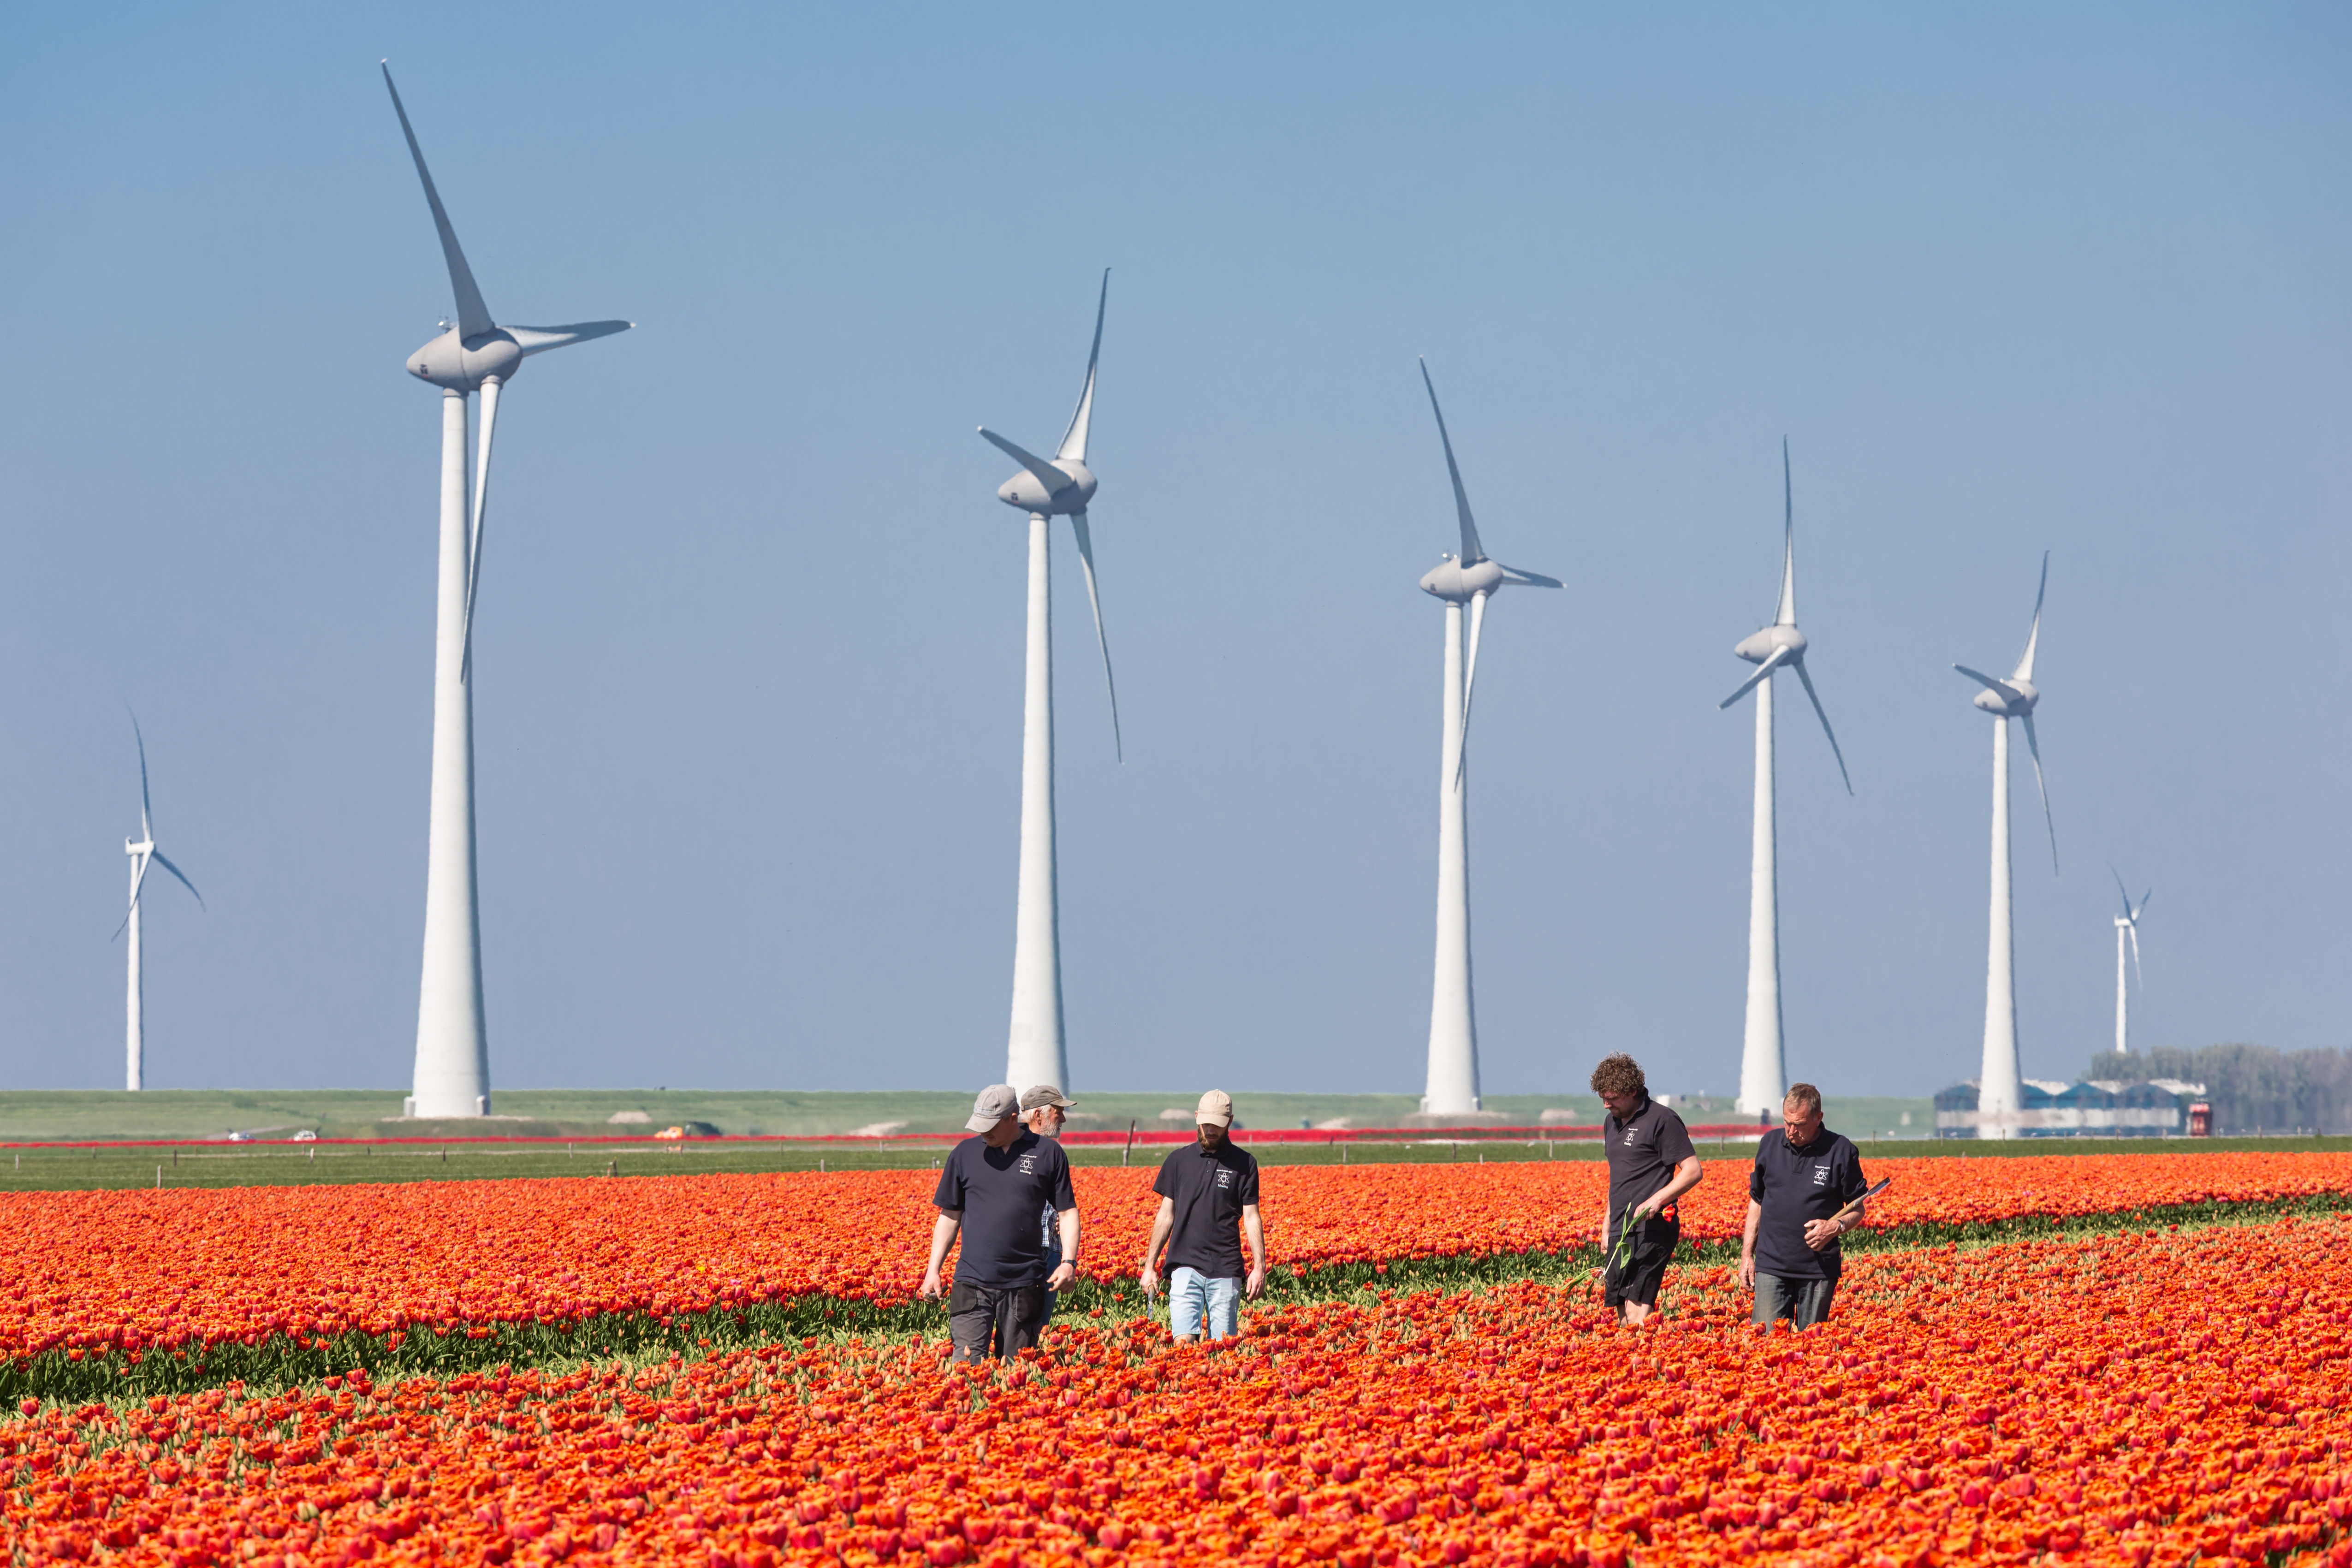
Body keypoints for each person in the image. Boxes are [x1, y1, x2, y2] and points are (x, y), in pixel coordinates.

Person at [919, 1084, 1078, 1361]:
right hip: (972, 1282)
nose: (984, 1132)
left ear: (1012, 1118)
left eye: (991, 1125)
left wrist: (1068, 1262)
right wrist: (933, 1270)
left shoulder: (1048, 1154)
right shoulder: (964, 1155)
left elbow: (1067, 1213)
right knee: (967, 1367)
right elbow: (949, 1217)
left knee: (1016, 1370)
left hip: (1024, 1284)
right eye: (980, 1125)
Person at [1739, 1082, 1869, 1330]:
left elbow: (1858, 1207)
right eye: (1787, 1122)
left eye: (1799, 1124)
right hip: (1771, 1265)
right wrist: (1747, 1255)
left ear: (1818, 1118)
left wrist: (1834, 1227)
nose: (1791, 1131)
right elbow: (1757, 1200)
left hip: (1817, 1270)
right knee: (1767, 1345)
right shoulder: (1769, 1144)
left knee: (1812, 1347)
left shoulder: (1841, 1151)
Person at [1139, 1090, 1265, 1342]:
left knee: (1222, 1347)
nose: (1210, 1130)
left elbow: (1252, 1217)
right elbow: (1166, 1215)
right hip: (1184, 1264)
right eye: (1206, 1123)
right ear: (1197, 1118)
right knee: (1183, 1344)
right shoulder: (1178, 1160)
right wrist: (1149, 1266)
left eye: (1217, 1125)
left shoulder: (1245, 1164)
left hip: (1226, 1267)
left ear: (1230, 1122)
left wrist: (1259, 1266)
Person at [1592, 1053, 1704, 1325]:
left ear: (1633, 1090)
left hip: (1651, 1225)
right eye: (1602, 1098)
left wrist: (1658, 1200)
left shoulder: (1662, 1119)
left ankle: (1643, 1363)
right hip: (1621, 1227)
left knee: (1636, 1307)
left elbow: (1693, 1171)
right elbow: (1619, 1177)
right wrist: (1608, 1223)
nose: (1606, 1104)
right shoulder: (1611, 1122)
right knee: (1620, 1307)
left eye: (1612, 1097)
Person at [1021, 1084, 1073, 1313]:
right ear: (1038, 1115)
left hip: (1051, 1249)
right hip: (1025, 1251)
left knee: (1041, 1326)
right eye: (1057, 1112)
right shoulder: (1011, 1149)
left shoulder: (1054, 1153)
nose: (1063, 1119)